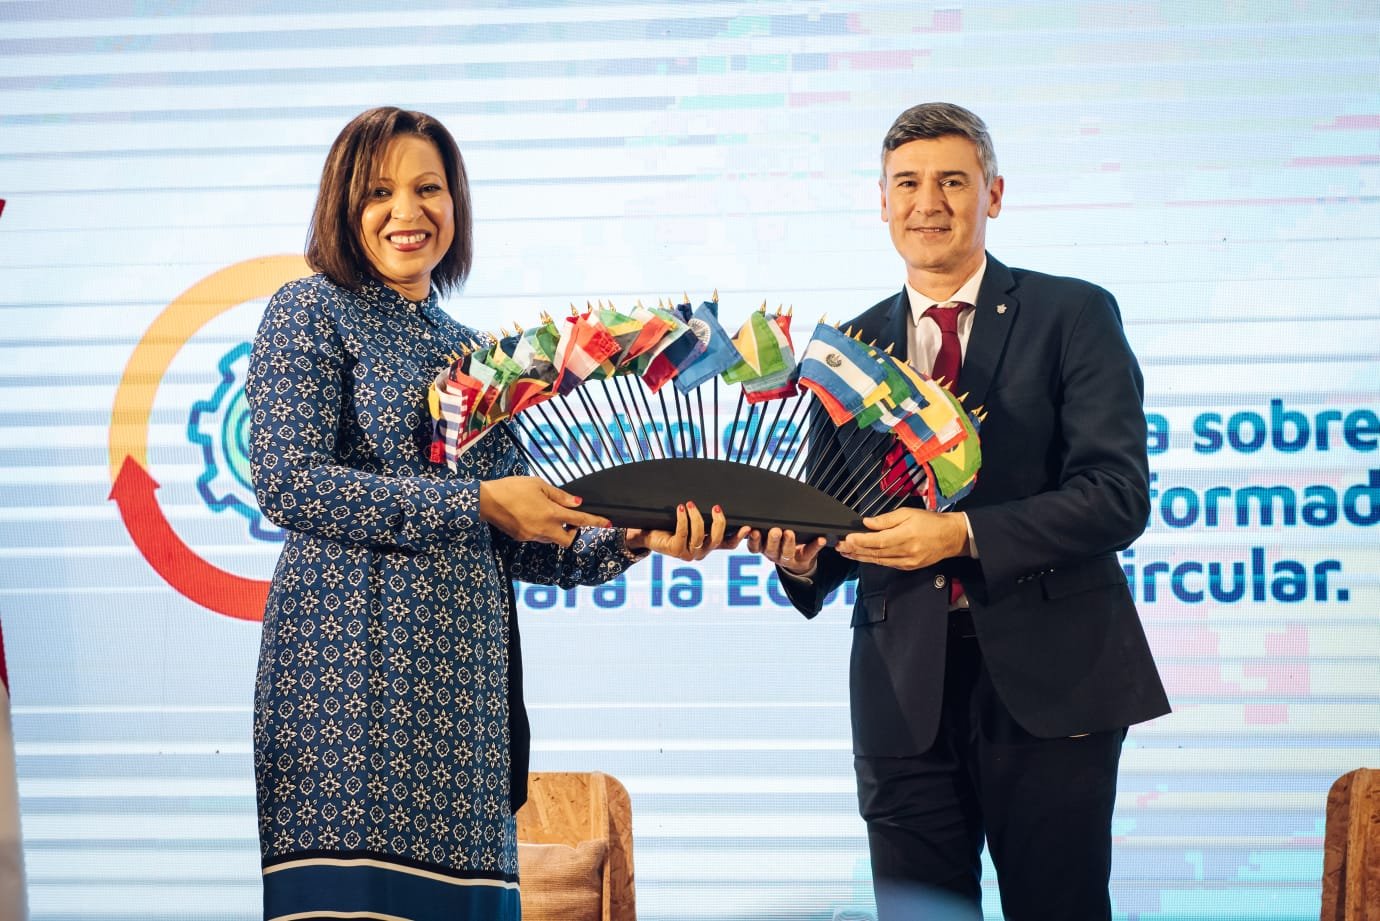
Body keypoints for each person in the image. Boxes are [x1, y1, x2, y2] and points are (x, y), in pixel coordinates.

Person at [246, 106, 743, 921]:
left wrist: (633, 537)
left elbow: (531, 539)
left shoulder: (477, 354)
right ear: (343, 203)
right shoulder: (309, 310)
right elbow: (290, 480)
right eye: (379, 192)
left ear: (456, 204)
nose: (407, 212)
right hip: (346, 692)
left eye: (428, 189)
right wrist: (475, 500)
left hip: (468, 709)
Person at [750, 102, 1170, 919]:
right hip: (901, 689)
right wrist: (802, 561)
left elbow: (1116, 494)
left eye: (952, 181)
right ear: (882, 201)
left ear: (994, 194)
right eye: (907, 183)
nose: (928, 203)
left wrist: (962, 533)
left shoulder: (1072, 313)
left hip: (1053, 680)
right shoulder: (845, 349)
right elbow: (836, 526)